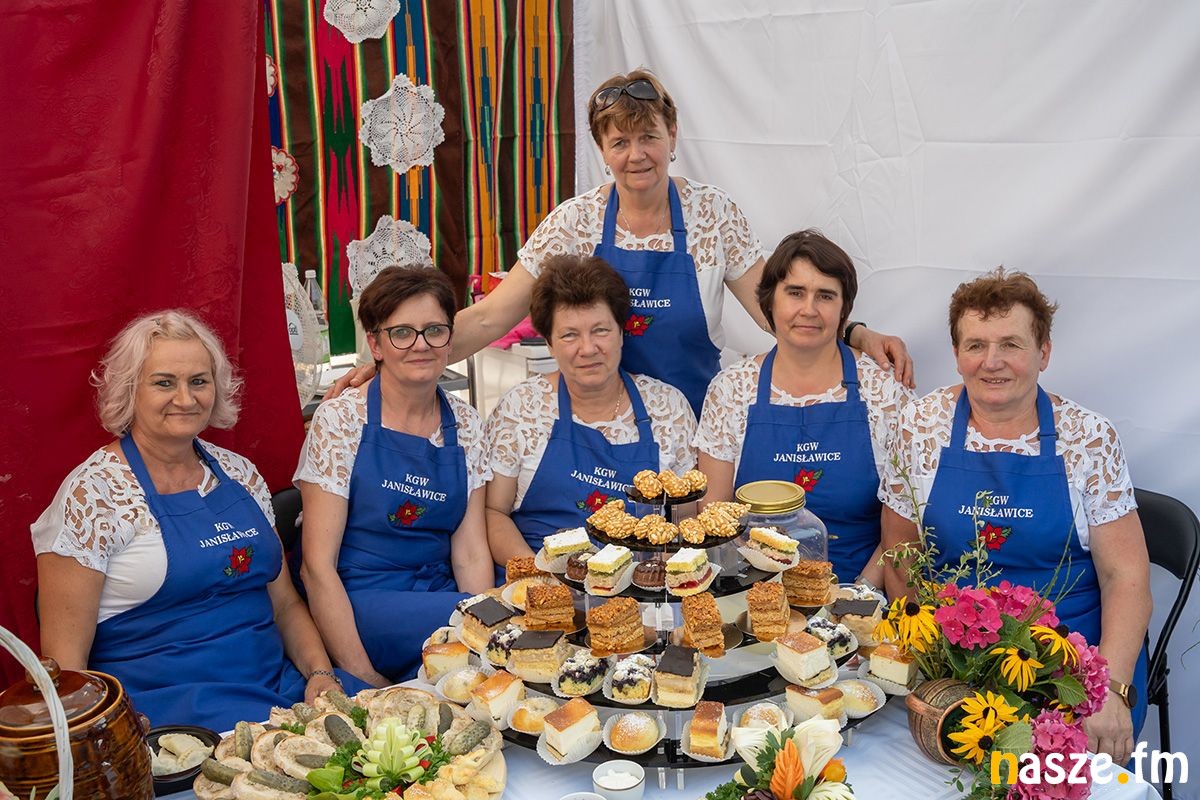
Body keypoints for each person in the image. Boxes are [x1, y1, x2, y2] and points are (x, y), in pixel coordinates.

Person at [329, 69, 913, 411]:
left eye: (648, 136)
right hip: (598, 429)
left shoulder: (712, 214)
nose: (637, 155)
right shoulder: (575, 223)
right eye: (619, 142)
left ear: (672, 134)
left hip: (693, 425)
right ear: (602, 150)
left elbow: (774, 311)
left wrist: (858, 334)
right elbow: (487, 318)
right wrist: (398, 358)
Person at [32, 310, 360, 732]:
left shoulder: (239, 474)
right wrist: (114, 736)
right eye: (164, 382)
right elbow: (67, 669)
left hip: (279, 688)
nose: (186, 399)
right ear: (129, 389)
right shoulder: (92, 495)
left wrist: (320, 674)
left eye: (199, 381)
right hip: (172, 715)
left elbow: (284, 604)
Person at [880, 268, 1150, 763]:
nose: (992, 362)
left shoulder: (1089, 438)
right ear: (957, 354)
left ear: (1043, 353)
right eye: (976, 345)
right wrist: (931, 658)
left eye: (1011, 344)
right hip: (954, 664)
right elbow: (901, 554)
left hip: (1067, 669)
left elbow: (1126, 577)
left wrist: (1111, 688)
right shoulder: (919, 426)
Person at [296, 266, 492, 685]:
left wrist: (486, 631)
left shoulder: (467, 424)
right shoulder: (340, 421)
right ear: (375, 344)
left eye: (434, 330)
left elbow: (471, 554)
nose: (420, 344)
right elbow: (316, 568)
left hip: (440, 593)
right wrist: (362, 675)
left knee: (506, 614)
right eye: (402, 332)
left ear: (449, 339)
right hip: (364, 600)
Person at [694, 230, 913, 586]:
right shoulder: (731, 391)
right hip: (755, 590)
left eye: (825, 295)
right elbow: (715, 519)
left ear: (844, 309)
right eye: (795, 292)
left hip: (859, 588)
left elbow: (903, 526)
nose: (809, 309)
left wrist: (859, 594)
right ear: (770, 302)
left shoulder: (884, 393)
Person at [484, 255, 696, 571]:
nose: (587, 348)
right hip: (542, 581)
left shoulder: (669, 408)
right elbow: (493, 512)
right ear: (549, 344)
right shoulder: (520, 408)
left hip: (641, 583)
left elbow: (685, 522)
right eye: (569, 335)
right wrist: (540, 574)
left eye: (600, 330)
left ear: (621, 332)